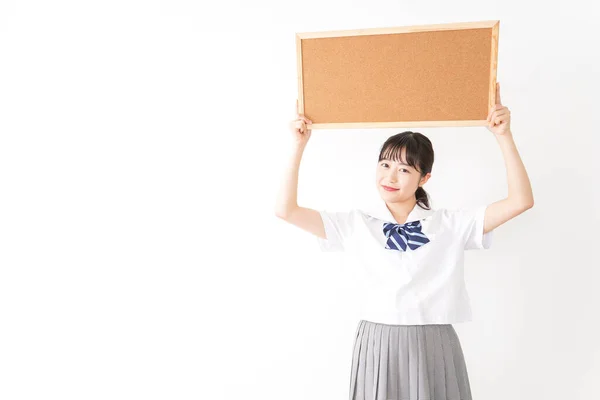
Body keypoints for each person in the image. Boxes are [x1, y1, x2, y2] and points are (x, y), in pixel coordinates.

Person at [274, 82, 534, 400]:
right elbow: (285, 210)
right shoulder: (354, 224)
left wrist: (503, 136)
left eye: (404, 169)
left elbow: (521, 200)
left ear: (424, 178)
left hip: (433, 342)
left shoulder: (450, 225)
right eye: (385, 165)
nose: (390, 177)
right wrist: (298, 144)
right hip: (377, 341)